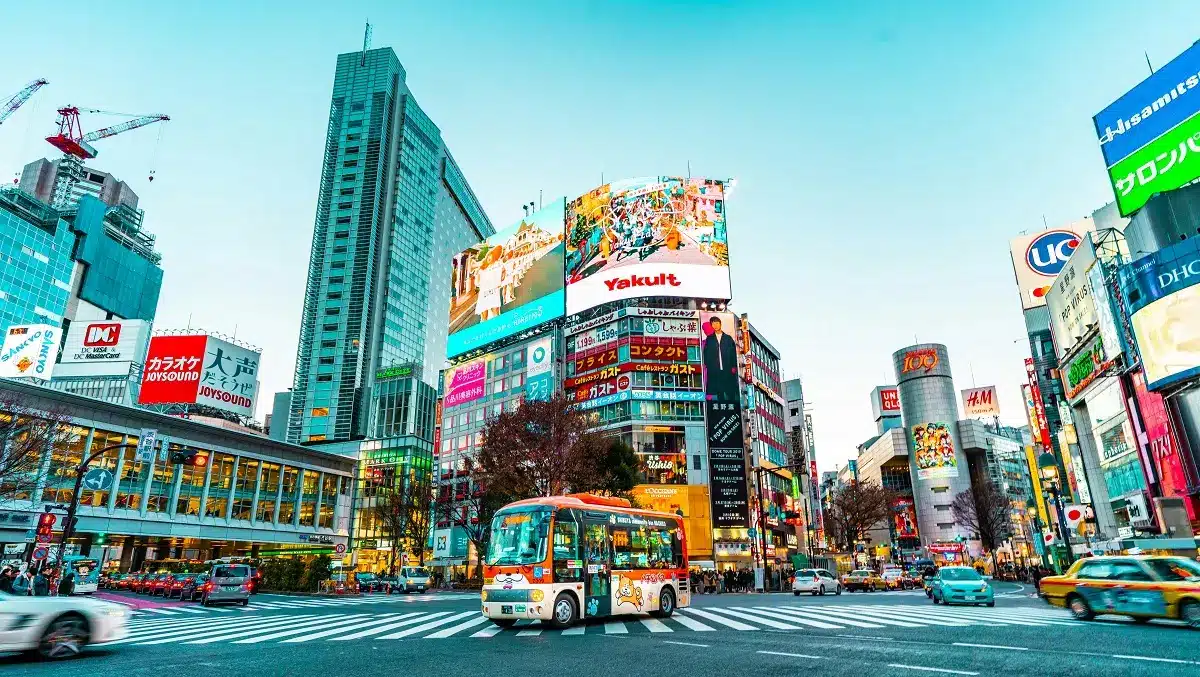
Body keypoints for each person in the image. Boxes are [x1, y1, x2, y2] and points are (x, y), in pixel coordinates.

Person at [701, 316, 739, 402]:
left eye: (717, 323)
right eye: (713, 324)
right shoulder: (710, 339)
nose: (715, 325)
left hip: (728, 368)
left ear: (720, 324)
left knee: (730, 389)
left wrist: (733, 366)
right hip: (715, 369)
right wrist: (707, 365)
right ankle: (721, 406)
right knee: (719, 390)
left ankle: (732, 404)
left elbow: (733, 353)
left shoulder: (728, 338)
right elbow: (706, 354)